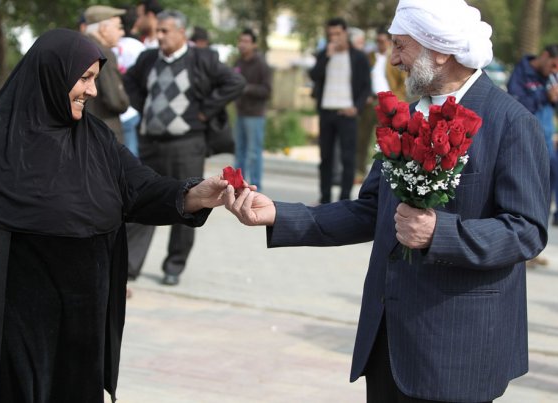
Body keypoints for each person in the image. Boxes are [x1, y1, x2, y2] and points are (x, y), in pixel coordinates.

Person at [224, 1, 550, 402]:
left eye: (400, 46)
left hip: (457, 347)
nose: (393, 59)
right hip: (387, 340)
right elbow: (370, 210)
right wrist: (280, 215)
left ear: (440, 50)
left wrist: (439, 233)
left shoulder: (512, 123)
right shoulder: (407, 117)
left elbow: (526, 231)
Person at [0, 28, 229, 402]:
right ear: (52, 75)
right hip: (12, 329)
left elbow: (141, 189)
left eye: (95, 79)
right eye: (83, 79)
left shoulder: (95, 140)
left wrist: (196, 194)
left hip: (83, 328)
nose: (93, 91)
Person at [123, 10, 245, 285]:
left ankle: (174, 265)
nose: (160, 36)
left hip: (186, 144)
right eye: (159, 31)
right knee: (141, 200)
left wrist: (204, 111)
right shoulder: (147, 59)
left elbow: (235, 82)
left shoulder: (202, 59)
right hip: (151, 143)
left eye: (165, 31)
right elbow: (129, 81)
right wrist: (144, 106)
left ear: (181, 33)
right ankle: (129, 266)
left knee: (189, 202)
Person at [310, 17, 371, 204]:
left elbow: (366, 87)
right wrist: (327, 57)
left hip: (347, 114)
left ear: (345, 33)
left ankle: (345, 199)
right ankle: (325, 198)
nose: (334, 37)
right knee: (325, 158)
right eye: (330, 35)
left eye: (337, 33)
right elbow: (313, 75)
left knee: (348, 158)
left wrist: (356, 108)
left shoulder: (358, 57)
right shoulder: (324, 54)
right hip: (327, 112)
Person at [507, 44, 558, 231]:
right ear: (544, 56)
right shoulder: (521, 73)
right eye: (553, 65)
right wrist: (544, 96)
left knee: (548, 186)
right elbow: (516, 105)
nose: (554, 71)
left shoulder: (551, 78)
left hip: (547, 140)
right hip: (526, 141)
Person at [357, 27, 408, 179]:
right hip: (371, 101)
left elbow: (403, 83)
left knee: (387, 140)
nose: (380, 44)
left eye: (383, 41)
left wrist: (395, 100)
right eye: (377, 41)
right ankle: (359, 172)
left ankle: (383, 175)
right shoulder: (370, 56)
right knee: (363, 137)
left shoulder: (394, 58)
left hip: (390, 103)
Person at [84, 5, 130, 143]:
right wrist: (125, 102)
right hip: (105, 130)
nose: (121, 33)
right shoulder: (104, 54)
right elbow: (115, 101)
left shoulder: (78, 49)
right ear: (103, 29)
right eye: (118, 27)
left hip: (83, 129)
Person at [233, 28, 272, 190]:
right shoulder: (238, 62)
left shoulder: (261, 64)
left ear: (254, 44)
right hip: (240, 113)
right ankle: (237, 185)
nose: (243, 45)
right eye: (241, 41)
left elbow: (267, 90)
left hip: (255, 115)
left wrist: (246, 88)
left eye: (246, 42)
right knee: (239, 151)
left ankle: (256, 187)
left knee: (254, 153)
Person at [114, 5, 147, 156]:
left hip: (115, 109)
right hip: (131, 110)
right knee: (132, 158)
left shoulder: (112, 46)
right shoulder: (138, 47)